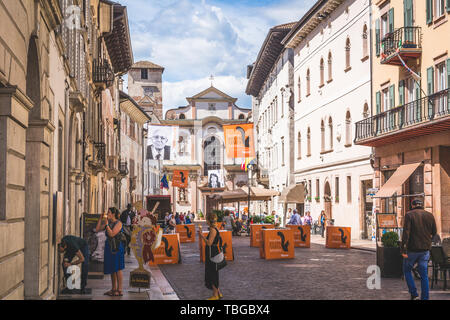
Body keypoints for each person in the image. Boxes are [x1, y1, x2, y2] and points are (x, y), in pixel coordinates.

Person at [401, 199, 437, 300]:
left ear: (412, 205)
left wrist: (403, 249)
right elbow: (434, 232)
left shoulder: (409, 215)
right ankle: (425, 298)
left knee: (407, 270)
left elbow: (406, 233)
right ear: (422, 205)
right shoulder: (430, 215)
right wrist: (428, 241)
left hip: (412, 249)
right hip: (425, 250)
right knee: (424, 275)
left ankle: (414, 294)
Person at [95, 207, 125, 297]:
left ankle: (119, 290)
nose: (107, 214)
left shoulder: (118, 223)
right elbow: (97, 229)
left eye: (109, 212)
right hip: (109, 246)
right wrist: (100, 219)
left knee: (118, 268)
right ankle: (113, 289)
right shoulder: (109, 223)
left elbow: (112, 234)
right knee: (112, 268)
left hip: (116, 247)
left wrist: (107, 225)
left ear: (113, 214)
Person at [198, 214, 224, 300]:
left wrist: (201, 236)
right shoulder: (214, 229)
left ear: (209, 221)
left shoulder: (213, 230)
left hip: (212, 253)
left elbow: (209, 243)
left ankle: (215, 295)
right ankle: (219, 293)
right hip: (212, 253)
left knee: (212, 274)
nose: (206, 221)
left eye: (207, 219)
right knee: (213, 273)